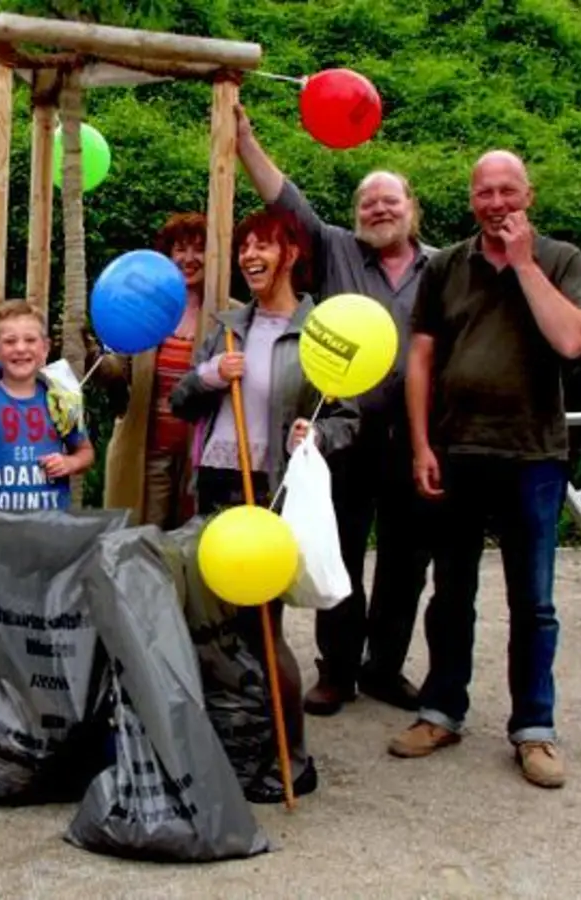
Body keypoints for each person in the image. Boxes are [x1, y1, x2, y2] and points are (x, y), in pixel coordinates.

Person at [395, 150, 581, 790]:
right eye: (485, 192)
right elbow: (420, 360)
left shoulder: (560, 259)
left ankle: (534, 729)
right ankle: (441, 710)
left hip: (533, 454)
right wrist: (422, 444)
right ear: (471, 199)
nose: (497, 203)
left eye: (508, 191)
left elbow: (571, 341)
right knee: (451, 594)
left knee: (532, 602)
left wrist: (525, 264)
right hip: (456, 451)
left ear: (528, 195)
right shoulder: (446, 265)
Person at [236, 103, 434, 716]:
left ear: (412, 209)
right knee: (338, 548)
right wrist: (245, 142)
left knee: (406, 560)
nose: (378, 210)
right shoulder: (337, 249)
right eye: (367, 202)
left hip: (418, 434)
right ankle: (338, 670)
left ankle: (385, 668)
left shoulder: (443, 267)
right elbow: (286, 201)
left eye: (389, 201)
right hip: (345, 430)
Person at [170, 205, 359, 803]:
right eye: (245, 246)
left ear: (292, 253)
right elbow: (180, 402)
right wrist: (206, 376)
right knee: (218, 628)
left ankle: (293, 756)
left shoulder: (320, 331)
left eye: (264, 246)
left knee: (263, 627)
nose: (250, 255)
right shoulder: (227, 326)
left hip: (270, 492)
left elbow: (348, 416)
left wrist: (318, 435)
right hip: (218, 486)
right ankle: (243, 744)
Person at [88, 212, 207, 529]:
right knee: (144, 545)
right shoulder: (143, 308)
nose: (189, 258)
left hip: (202, 459)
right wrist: (91, 356)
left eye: (199, 248)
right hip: (147, 454)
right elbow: (116, 372)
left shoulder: (230, 314)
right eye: (180, 249)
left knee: (193, 549)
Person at [0, 302, 94, 512]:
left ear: (45, 348)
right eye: (9, 341)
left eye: (30, 340)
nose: (20, 348)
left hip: (49, 526)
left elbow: (86, 452)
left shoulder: (60, 399)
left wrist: (69, 463)